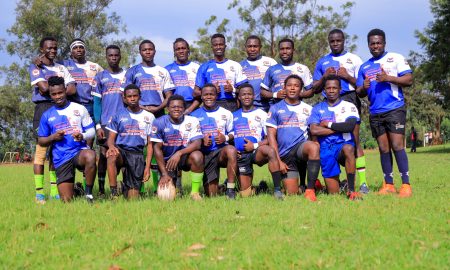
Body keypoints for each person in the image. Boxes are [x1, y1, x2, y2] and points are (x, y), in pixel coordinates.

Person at [356, 28, 413, 198]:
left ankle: (406, 185)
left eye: (378, 42)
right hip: (375, 112)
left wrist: (389, 78)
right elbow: (359, 92)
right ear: (368, 45)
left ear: (384, 43)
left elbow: (408, 79)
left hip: (395, 109)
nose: (376, 46)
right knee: (383, 148)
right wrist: (363, 87)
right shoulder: (364, 66)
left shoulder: (395, 58)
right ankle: (388, 184)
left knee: (397, 145)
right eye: (372, 43)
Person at [312, 29, 369, 194]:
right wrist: (324, 78)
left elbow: (361, 87)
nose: (335, 43)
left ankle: (363, 183)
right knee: (327, 139)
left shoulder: (354, 59)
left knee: (354, 141)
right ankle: (330, 180)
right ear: (329, 42)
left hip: (349, 98)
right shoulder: (323, 62)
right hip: (328, 101)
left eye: (338, 40)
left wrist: (347, 76)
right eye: (332, 41)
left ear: (344, 40)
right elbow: (315, 88)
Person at [29, 36, 76, 203]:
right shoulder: (35, 66)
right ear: (42, 49)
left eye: (55, 48)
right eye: (49, 48)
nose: (53, 50)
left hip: (60, 110)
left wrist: (55, 90)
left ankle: (55, 190)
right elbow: (42, 89)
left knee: (56, 151)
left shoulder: (61, 67)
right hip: (43, 109)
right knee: (41, 151)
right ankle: (40, 192)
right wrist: (59, 90)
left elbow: (72, 89)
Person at [37, 76, 96, 203]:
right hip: (61, 157)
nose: (58, 96)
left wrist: (82, 135)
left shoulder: (79, 108)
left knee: (91, 155)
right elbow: (41, 141)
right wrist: (53, 137)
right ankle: (77, 190)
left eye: (60, 92)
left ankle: (89, 194)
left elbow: (91, 131)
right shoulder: (47, 115)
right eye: (54, 94)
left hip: (79, 152)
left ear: (65, 90)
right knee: (66, 200)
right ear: (50, 95)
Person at [266, 75, 320, 201]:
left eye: (296, 86)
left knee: (313, 147)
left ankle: (310, 190)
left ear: (301, 90)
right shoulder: (275, 108)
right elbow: (271, 137)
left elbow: (313, 134)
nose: (292, 88)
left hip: (301, 149)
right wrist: (278, 161)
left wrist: (316, 146)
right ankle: (302, 186)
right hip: (285, 155)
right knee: (292, 193)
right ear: (284, 88)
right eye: (289, 85)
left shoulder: (308, 109)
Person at [309, 75, 362, 200]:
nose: (331, 91)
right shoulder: (318, 108)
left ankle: (351, 190)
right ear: (324, 90)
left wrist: (328, 124)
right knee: (334, 193)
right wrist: (337, 129)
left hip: (343, 145)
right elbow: (314, 130)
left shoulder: (349, 106)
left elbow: (349, 126)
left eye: (334, 88)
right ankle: (342, 185)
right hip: (326, 149)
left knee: (349, 148)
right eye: (328, 88)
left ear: (340, 89)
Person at [232, 83, 284, 199]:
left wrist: (254, 145)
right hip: (241, 156)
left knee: (270, 151)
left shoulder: (262, 114)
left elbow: (270, 138)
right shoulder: (233, 115)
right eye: (243, 94)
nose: (247, 97)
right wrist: (233, 150)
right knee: (245, 195)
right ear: (239, 97)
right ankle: (260, 188)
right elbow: (230, 136)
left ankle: (277, 190)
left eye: (249, 94)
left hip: (257, 151)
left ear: (254, 96)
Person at [151, 95, 205, 200]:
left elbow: (197, 143)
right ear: (167, 109)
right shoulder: (159, 122)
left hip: (184, 157)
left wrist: (179, 153)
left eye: (180, 107)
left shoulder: (192, 121)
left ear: (184, 108)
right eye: (173, 107)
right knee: (166, 198)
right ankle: (170, 182)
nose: (176, 109)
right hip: (168, 160)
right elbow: (156, 149)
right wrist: (164, 174)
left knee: (198, 156)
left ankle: (194, 193)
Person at [106, 84, 155, 199]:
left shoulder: (149, 117)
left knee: (132, 199)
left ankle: (123, 187)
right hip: (121, 152)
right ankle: (114, 194)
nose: (132, 98)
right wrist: (111, 147)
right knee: (111, 155)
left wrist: (147, 168)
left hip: (137, 154)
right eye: (129, 96)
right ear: (124, 98)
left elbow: (150, 145)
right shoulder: (118, 115)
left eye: (135, 96)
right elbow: (111, 139)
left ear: (140, 96)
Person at [190, 83, 238, 198]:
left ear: (216, 95)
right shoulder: (193, 115)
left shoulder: (226, 113)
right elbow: (189, 138)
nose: (209, 97)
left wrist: (225, 138)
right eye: (206, 94)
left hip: (221, 152)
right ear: (201, 96)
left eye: (211, 94)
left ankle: (230, 190)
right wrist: (201, 140)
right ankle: (222, 187)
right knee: (212, 195)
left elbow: (234, 132)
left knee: (231, 150)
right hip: (205, 154)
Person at [92, 44, 126, 196]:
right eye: (110, 55)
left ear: (120, 56)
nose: (113, 58)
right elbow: (97, 103)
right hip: (106, 123)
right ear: (106, 57)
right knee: (104, 154)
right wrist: (98, 125)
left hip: (125, 123)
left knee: (125, 153)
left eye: (116, 55)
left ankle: (125, 187)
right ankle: (100, 190)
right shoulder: (100, 77)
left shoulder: (127, 75)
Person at [193, 33, 248, 112]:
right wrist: (210, 91)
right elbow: (195, 93)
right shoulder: (204, 67)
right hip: (212, 104)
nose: (218, 47)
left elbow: (245, 90)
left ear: (225, 46)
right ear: (212, 47)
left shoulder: (235, 65)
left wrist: (233, 90)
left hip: (231, 104)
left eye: (221, 44)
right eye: (215, 45)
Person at [123, 40, 175, 118]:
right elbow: (124, 96)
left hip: (159, 112)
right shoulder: (132, 71)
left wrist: (158, 108)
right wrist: (142, 107)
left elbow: (169, 96)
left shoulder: (163, 71)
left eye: (150, 49)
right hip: (138, 111)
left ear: (155, 51)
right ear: (140, 52)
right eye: (144, 50)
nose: (148, 52)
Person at [260, 38, 314, 104]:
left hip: (297, 111)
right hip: (276, 110)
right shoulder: (271, 69)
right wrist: (275, 95)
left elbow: (311, 91)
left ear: (293, 50)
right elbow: (262, 92)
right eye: (282, 49)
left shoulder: (303, 68)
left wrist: (297, 94)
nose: (284, 51)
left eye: (288, 48)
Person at [63, 39, 103, 122]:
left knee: (91, 132)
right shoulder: (64, 64)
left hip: (90, 105)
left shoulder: (95, 66)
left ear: (85, 50)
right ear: (71, 51)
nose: (78, 49)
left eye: (81, 47)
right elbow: (50, 65)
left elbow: (105, 80)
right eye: (75, 48)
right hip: (72, 104)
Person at [240, 35, 277, 112]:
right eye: (249, 46)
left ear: (260, 47)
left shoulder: (271, 62)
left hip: (269, 106)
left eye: (255, 46)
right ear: (245, 47)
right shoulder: (240, 65)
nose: (252, 49)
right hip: (249, 108)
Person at [165, 38, 200, 114]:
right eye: (178, 49)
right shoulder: (166, 70)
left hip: (193, 108)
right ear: (174, 52)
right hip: (174, 108)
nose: (181, 51)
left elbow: (201, 93)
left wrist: (189, 110)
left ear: (188, 50)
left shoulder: (198, 68)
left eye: (183, 48)